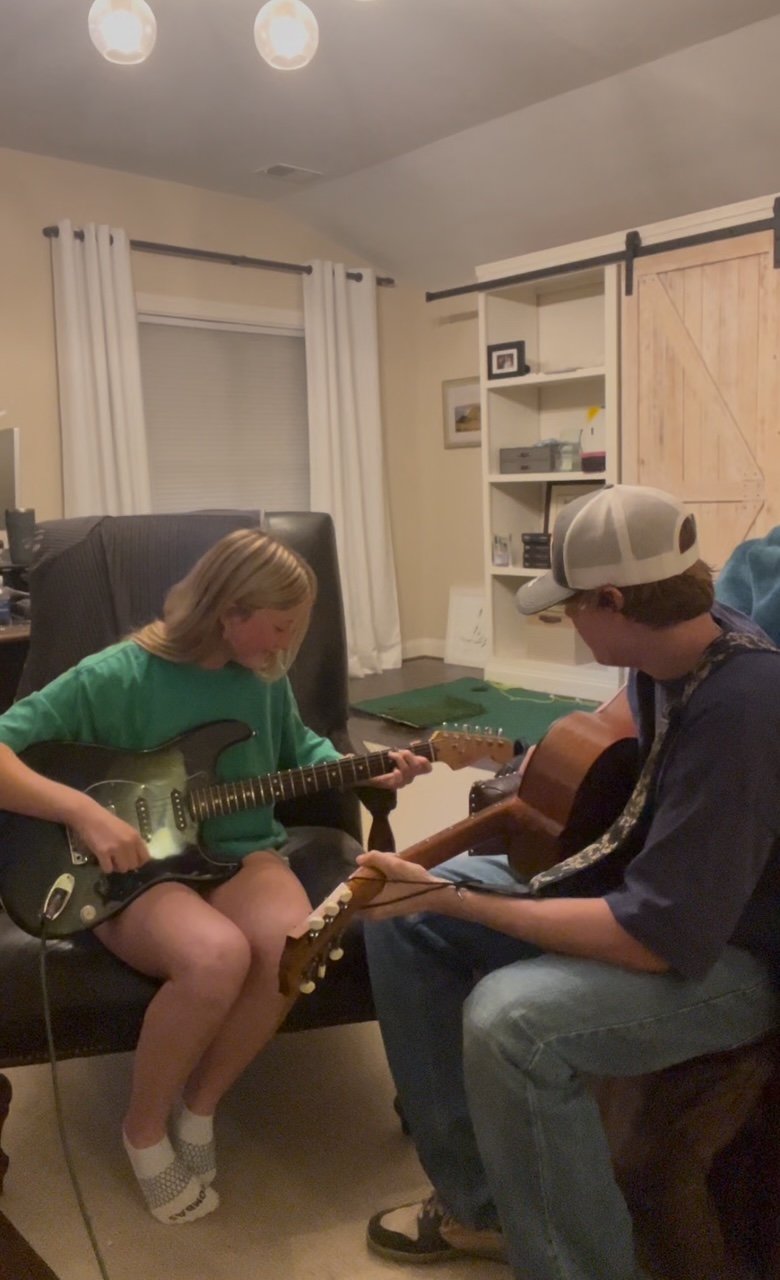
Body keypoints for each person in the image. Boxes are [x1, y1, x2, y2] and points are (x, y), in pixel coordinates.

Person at [357, 484, 780, 1280]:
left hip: (739, 957)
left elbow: (658, 939)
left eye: (570, 607)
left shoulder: (746, 706)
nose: (568, 624)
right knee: (398, 918)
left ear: (615, 600)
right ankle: (480, 1209)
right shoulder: (676, 651)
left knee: (511, 1022)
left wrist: (460, 900)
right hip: (666, 905)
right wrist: (441, 891)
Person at [0, 527, 431, 1224]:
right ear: (229, 610)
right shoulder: (115, 674)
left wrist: (369, 765)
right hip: (135, 870)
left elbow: (302, 747)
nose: (286, 645)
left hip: (243, 849)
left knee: (298, 940)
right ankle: (142, 1130)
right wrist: (84, 812)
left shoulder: (264, 677)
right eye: (279, 627)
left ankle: (199, 1106)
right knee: (216, 957)